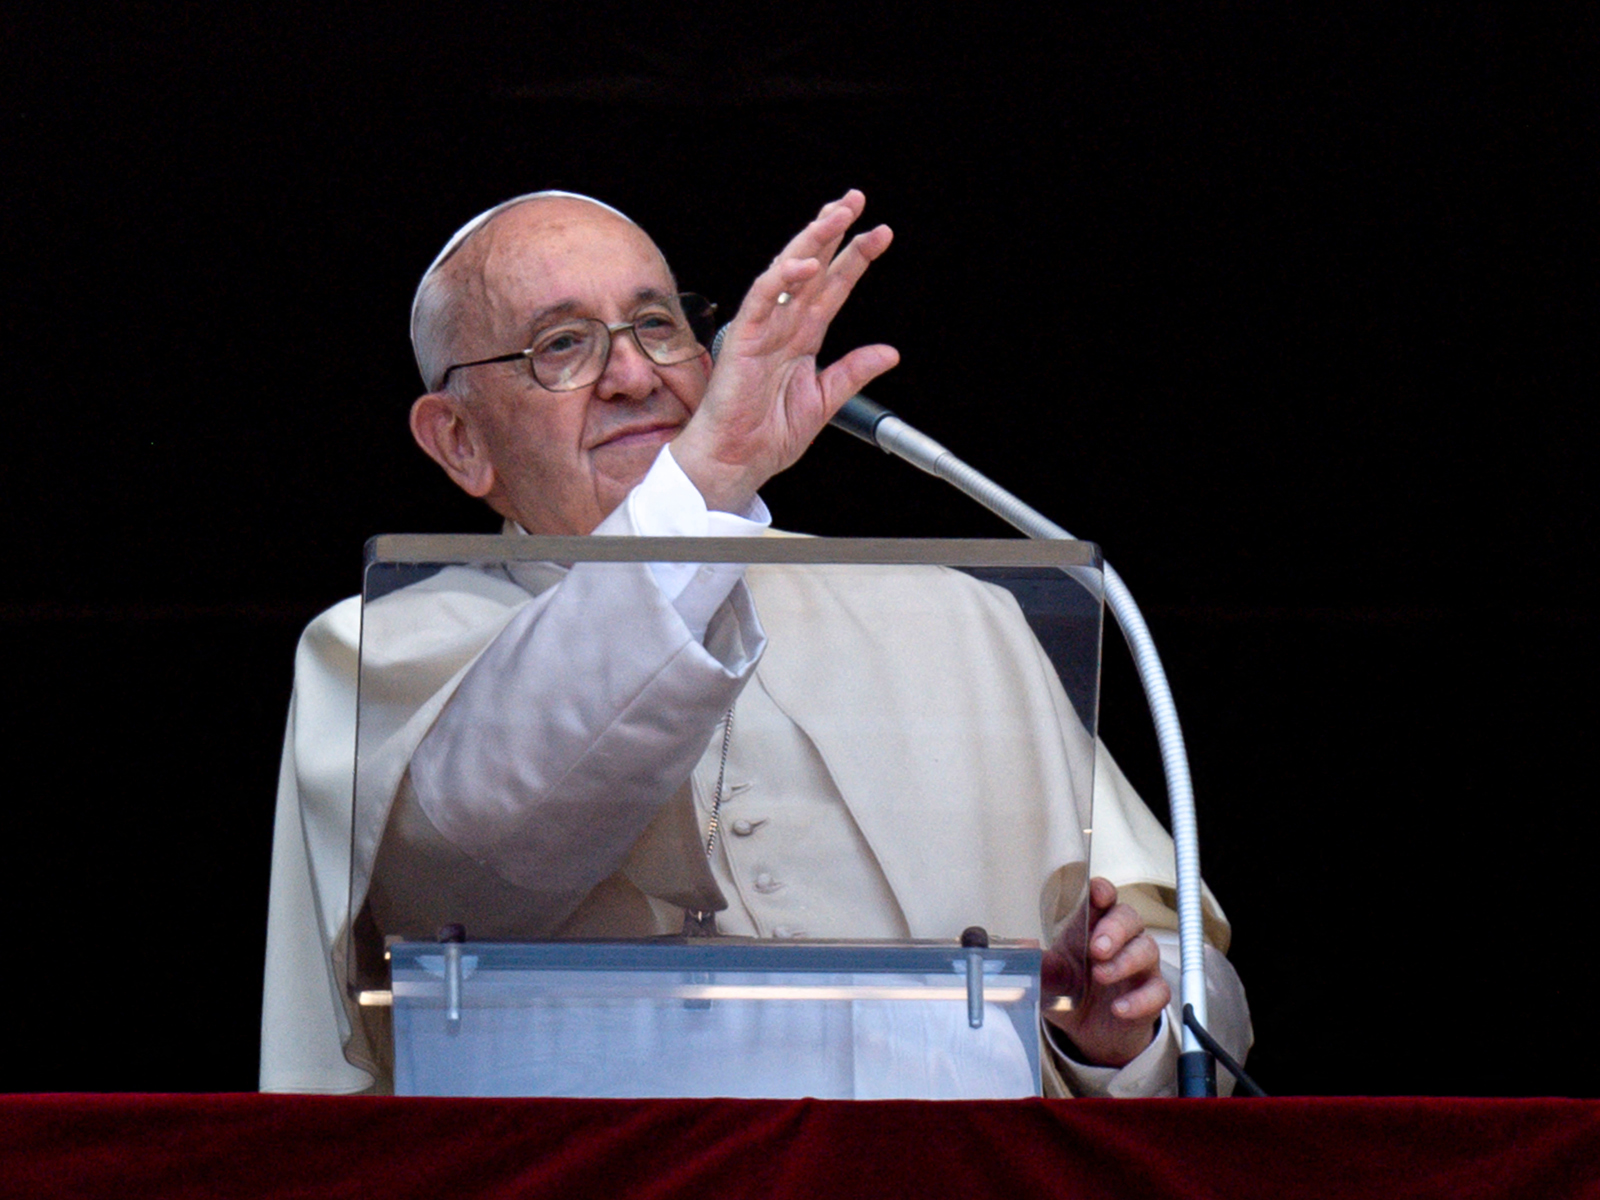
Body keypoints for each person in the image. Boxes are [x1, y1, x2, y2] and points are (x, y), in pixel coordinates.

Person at [260, 189, 1250, 1096]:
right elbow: (485, 847)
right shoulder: (374, 651)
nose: (634, 375)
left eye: (657, 325)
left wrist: (1124, 1020)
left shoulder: (958, 619)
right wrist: (701, 483)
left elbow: (1190, 979)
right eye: (558, 345)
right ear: (459, 442)